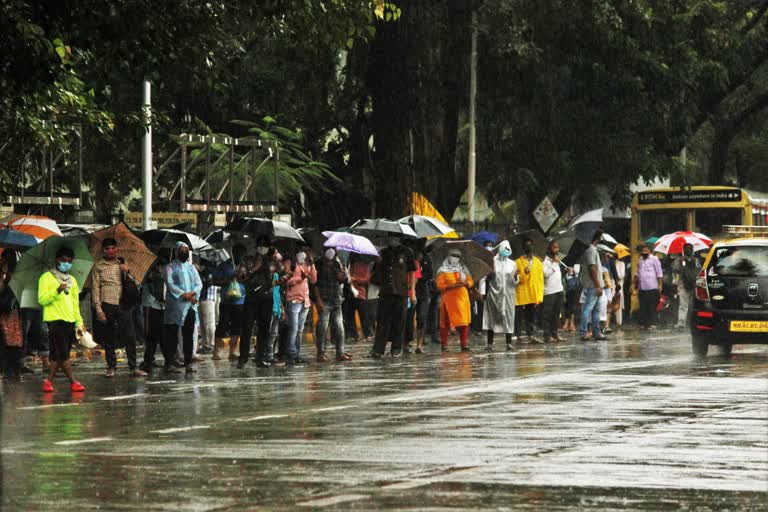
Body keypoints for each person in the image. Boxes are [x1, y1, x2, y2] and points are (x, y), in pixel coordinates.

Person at [92, 238, 146, 378]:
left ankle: (133, 367)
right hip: (107, 304)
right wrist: (98, 309)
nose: (110, 251)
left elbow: (135, 283)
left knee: (130, 335)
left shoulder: (123, 263)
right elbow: (95, 288)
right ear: (103, 251)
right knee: (109, 337)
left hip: (124, 304)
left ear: (116, 249)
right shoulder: (98, 266)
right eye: (107, 248)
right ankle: (111, 367)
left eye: (112, 248)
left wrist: (127, 272)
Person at [38, 247, 86, 393]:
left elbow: (75, 303)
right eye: (64, 260)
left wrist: (79, 322)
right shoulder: (46, 277)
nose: (66, 263)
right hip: (54, 320)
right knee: (63, 353)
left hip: (69, 320)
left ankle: (48, 382)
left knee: (56, 354)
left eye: (69, 261)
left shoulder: (72, 280)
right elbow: (42, 299)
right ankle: (73, 381)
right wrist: (56, 291)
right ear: (57, 260)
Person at [369, 238, 416, 358]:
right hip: (386, 292)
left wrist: (413, 292)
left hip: (401, 292)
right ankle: (378, 349)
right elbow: (375, 275)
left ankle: (396, 348)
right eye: (391, 237)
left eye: (395, 237)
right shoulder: (382, 253)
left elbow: (412, 273)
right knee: (382, 322)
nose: (393, 240)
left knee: (399, 321)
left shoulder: (407, 252)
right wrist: (378, 262)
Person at [163, 242, 202, 374]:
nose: (184, 252)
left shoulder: (191, 268)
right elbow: (170, 283)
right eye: (182, 250)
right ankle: (170, 363)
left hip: (189, 305)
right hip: (175, 306)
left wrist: (192, 294)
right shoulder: (170, 267)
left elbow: (199, 283)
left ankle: (188, 363)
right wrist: (182, 294)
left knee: (188, 336)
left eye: (186, 250)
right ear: (177, 251)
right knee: (172, 335)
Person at [314, 247, 353, 363]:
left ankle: (340, 353)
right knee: (322, 328)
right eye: (330, 248)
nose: (333, 250)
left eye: (335, 249)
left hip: (336, 299)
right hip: (324, 299)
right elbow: (314, 284)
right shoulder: (319, 263)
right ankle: (321, 353)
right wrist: (318, 300)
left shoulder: (338, 262)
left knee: (339, 327)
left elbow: (341, 280)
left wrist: (344, 275)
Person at [480, 240, 519, 351]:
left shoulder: (512, 264)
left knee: (509, 317)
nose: (505, 251)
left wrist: (516, 277)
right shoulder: (492, 262)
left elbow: (515, 281)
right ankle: (490, 343)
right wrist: (482, 291)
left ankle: (508, 343)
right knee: (491, 317)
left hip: (508, 294)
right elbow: (484, 278)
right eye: (504, 249)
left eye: (507, 249)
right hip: (493, 293)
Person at [239, 252, 274, 368]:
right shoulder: (247, 259)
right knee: (246, 328)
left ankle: (260, 358)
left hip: (266, 298)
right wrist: (255, 267)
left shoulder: (270, 260)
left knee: (264, 329)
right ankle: (243, 358)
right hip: (251, 298)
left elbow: (280, 273)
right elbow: (241, 278)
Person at [435, 248, 474, 352]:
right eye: (453, 255)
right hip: (448, 299)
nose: (455, 258)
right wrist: (451, 286)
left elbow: (470, 282)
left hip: (462, 298)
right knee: (445, 322)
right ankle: (444, 345)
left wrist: (465, 283)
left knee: (463, 322)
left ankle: (464, 345)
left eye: (457, 256)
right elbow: (439, 286)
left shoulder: (463, 269)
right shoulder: (442, 270)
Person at [213, 244, 246, 361]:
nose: (240, 256)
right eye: (238, 253)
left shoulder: (245, 266)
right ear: (233, 253)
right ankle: (216, 351)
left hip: (240, 301)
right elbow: (215, 280)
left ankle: (232, 352)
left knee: (236, 328)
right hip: (226, 301)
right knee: (222, 325)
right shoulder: (224, 266)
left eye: (242, 254)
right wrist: (228, 280)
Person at [284, 247, 317, 365]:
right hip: (293, 299)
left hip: (305, 301)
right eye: (303, 250)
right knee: (293, 329)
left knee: (299, 330)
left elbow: (313, 280)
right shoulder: (290, 263)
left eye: (307, 250)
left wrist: (312, 266)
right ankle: (291, 355)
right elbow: (287, 281)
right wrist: (300, 278)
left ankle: (296, 354)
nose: (305, 253)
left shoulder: (307, 264)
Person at [139, 257, 169, 372]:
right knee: (159, 336)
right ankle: (165, 360)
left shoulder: (149, 268)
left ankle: (149, 361)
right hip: (157, 305)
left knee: (153, 335)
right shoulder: (165, 268)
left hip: (153, 305)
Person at [579, 230, 607, 341]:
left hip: (596, 285)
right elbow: (592, 269)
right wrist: (598, 286)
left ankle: (596, 332)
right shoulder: (590, 250)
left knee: (597, 310)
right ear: (598, 238)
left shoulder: (593, 250)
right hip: (593, 285)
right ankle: (583, 332)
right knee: (587, 309)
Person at [514, 238, 544, 343]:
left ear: (533, 246)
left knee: (531, 316)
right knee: (518, 316)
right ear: (523, 248)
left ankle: (531, 335)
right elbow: (517, 279)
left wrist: (539, 297)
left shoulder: (538, 262)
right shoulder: (517, 262)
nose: (529, 247)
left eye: (530, 245)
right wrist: (524, 273)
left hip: (532, 294)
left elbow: (540, 280)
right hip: (521, 293)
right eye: (526, 245)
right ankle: (518, 336)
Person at [0, 250, 23, 381]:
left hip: (12, 312)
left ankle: (14, 370)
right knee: (7, 342)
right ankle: (9, 370)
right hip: (6, 311)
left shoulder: (16, 276)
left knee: (13, 342)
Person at [633, 244, 663, 330]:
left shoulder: (654, 259)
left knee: (652, 306)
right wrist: (634, 284)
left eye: (646, 251)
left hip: (652, 287)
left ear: (650, 251)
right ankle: (644, 324)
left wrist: (660, 284)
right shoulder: (640, 260)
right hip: (642, 287)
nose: (644, 252)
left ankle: (652, 323)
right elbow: (637, 273)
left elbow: (659, 273)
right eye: (643, 251)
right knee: (643, 306)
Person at [347, 253, 376, 342]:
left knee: (364, 316)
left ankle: (368, 334)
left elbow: (367, 280)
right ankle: (353, 335)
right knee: (350, 315)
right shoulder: (350, 265)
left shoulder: (365, 266)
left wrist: (354, 279)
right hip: (350, 292)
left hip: (361, 294)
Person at [541, 240, 566, 343]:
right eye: (554, 247)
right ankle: (547, 336)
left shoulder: (557, 261)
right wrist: (553, 265)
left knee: (556, 314)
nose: (557, 249)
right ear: (549, 249)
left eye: (557, 247)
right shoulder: (544, 262)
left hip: (559, 290)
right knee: (547, 315)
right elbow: (545, 274)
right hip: (549, 292)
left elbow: (557, 276)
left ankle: (555, 334)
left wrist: (566, 270)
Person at [672, 243, 700, 329]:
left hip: (695, 285)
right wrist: (676, 283)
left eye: (690, 248)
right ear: (683, 250)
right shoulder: (679, 260)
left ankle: (693, 322)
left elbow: (699, 271)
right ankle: (681, 323)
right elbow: (675, 272)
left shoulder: (696, 260)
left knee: (694, 305)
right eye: (687, 249)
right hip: (683, 284)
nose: (689, 250)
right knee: (683, 305)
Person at [413, 246, 435, 354]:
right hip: (410, 291)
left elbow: (430, 273)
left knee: (421, 317)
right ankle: (405, 343)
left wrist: (420, 277)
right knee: (407, 319)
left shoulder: (427, 260)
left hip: (423, 292)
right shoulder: (410, 258)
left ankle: (419, 344)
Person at [197, 258, 218, 355]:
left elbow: (206, 283)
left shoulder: (209, 272)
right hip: (202, 298)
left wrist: (198, 273)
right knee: (203, 324)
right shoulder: (204, 271)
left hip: (208, 299)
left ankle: (211, 345)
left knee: (209, 323)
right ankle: (206, 344)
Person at [563, 265, 581, 332]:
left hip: (576, 290)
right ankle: (569, 323)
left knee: (573, 307)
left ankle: (569, 323)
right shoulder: (568, 272)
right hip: (569, 291)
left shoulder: (577, 265)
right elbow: (568, 281)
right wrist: (569, 271)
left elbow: (577, 272)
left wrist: (572, 271)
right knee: (569, 306)